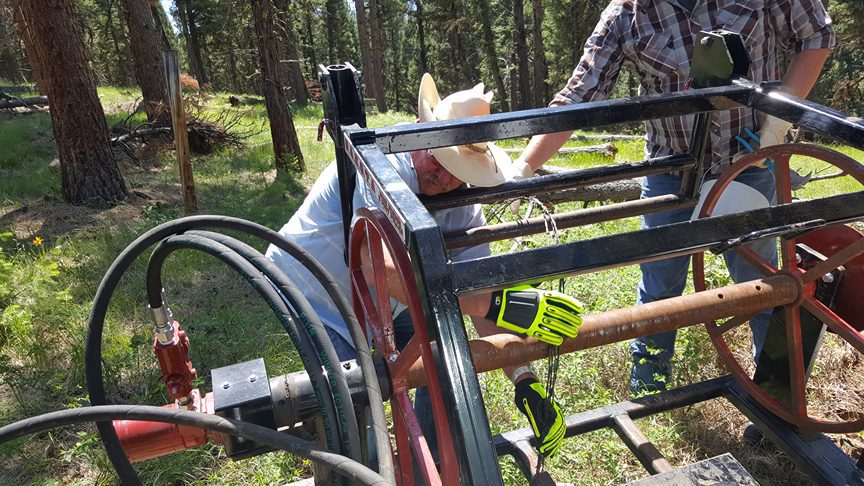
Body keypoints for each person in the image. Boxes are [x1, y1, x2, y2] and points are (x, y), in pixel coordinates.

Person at [510, 0, 835, 394]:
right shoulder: (625, 16)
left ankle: (778, 394)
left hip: (750, 163)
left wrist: (776, 121)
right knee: (660, 285)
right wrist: (523, 171)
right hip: (671, 171)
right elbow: (579, 97)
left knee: (761, 283)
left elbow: (816, 35)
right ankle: (650, 389)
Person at [266, 73, 584, 459]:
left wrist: (523, 378)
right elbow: (375, 266)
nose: (445, 176)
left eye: (459, 170)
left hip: (384, 304)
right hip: (313, 291)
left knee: (447, 355)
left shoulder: (464, 198)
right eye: (439, 157)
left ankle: (429, 463)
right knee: (354, 417)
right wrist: (494, 304)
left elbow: (476, 292)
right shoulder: (380, 165)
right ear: (419, 132)